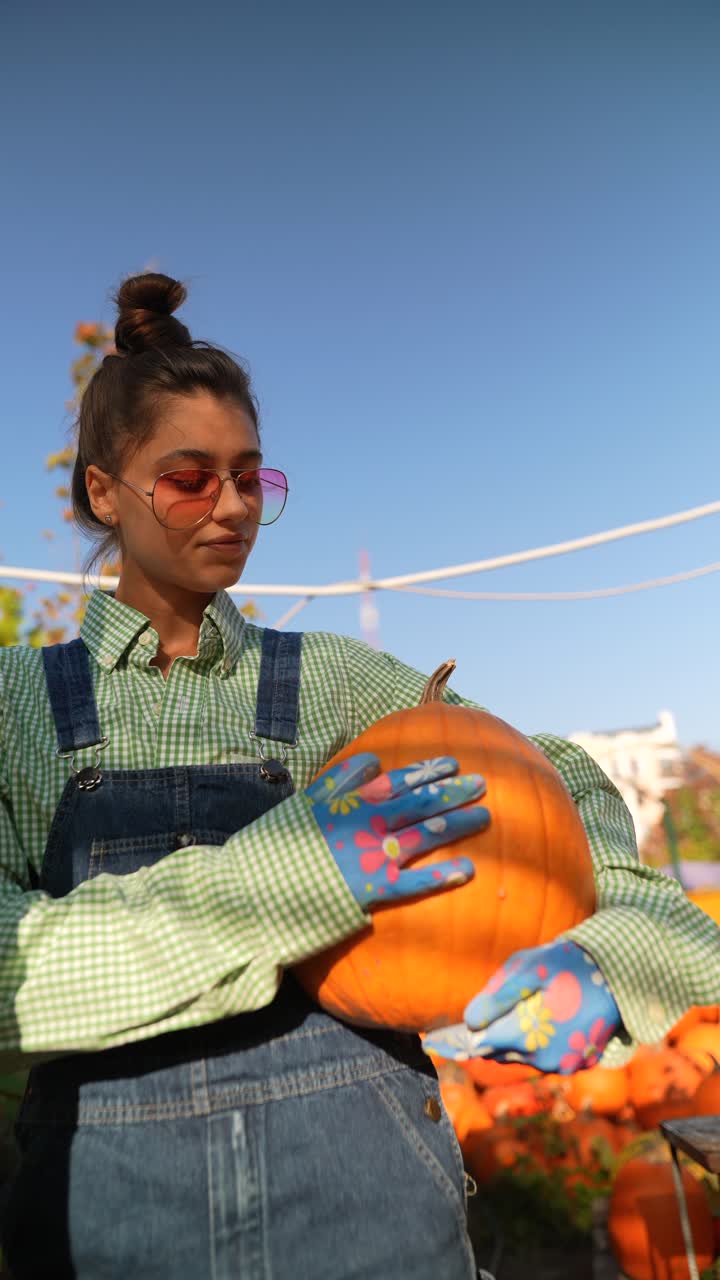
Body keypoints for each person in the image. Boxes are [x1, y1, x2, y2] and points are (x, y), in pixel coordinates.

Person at [0, 273, 717, 1280]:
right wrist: (289, 879)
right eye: (190, 476)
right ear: (102, 491)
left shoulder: (332, 680)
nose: (234, 505)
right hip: (106, 1223)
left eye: (252, 476)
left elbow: (546, 772)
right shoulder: (19, 704)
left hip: (372, 1205)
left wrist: (617, 945)